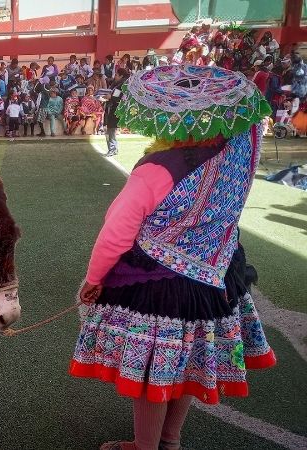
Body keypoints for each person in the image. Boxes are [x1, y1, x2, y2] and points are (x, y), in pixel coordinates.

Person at [72, 65, 276, 450]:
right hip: (218, 273)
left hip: (161, 284)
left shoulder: (157, 169)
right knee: (189, 364)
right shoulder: (240, 146)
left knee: (154, 371)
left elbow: (116, 232)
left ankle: (146, 446)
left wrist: (94, 279)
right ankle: (169, 439)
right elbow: (252, 121)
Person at [103, 68, 128, 157]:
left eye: (116, 75)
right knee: (109, 129)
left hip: (115, 110)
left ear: (121, 76)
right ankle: (113, 148)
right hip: (110, 108)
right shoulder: (115, 84)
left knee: (111, 130)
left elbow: (120, 98)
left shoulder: (122, 85)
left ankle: (112, 149)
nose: (115, 76)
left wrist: (110, 97)